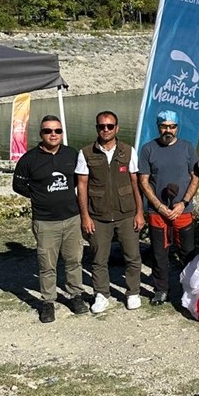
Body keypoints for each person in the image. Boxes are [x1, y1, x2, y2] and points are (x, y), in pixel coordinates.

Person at [12, 115, 87, 323]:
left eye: (57, 131)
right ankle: (47, 302)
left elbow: (81, 180)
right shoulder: (29, 159)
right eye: (48, 131)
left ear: (62, 133)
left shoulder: (72, 154)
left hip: (72, 218)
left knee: (74, 260)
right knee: (47, 264)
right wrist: (37, 195)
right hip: (45, 221)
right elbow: (18, 185)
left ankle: (76, 295)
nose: (53, 135)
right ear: (41, 134)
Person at [76, 110, 144, 314]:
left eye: (110, 126)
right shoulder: (86, 153)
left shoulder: (128, 151)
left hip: (127, 213)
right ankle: (101, 294)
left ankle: (133, 292)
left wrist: (140, 212)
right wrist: (85, 217)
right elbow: (81, 186)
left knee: (132, 256)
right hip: (98, 215)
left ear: (117, 128)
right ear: (96, 128)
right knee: (98, 258)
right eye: (101, 126)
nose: (106, 130)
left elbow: (136, 184)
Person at [137, 109, 199, 305]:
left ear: (177, 128)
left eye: (172, 127)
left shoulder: (188, 148)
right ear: (158, 127)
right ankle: (161, 289)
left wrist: (183, 203)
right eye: (164, 126)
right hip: (158, 212)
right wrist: (158, 205)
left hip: (183, 211)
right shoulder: (148, 149)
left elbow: (195, 177)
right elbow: (144, 181)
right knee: (159, 252)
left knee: (187, 251)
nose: (168, 130)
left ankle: (189, 289)